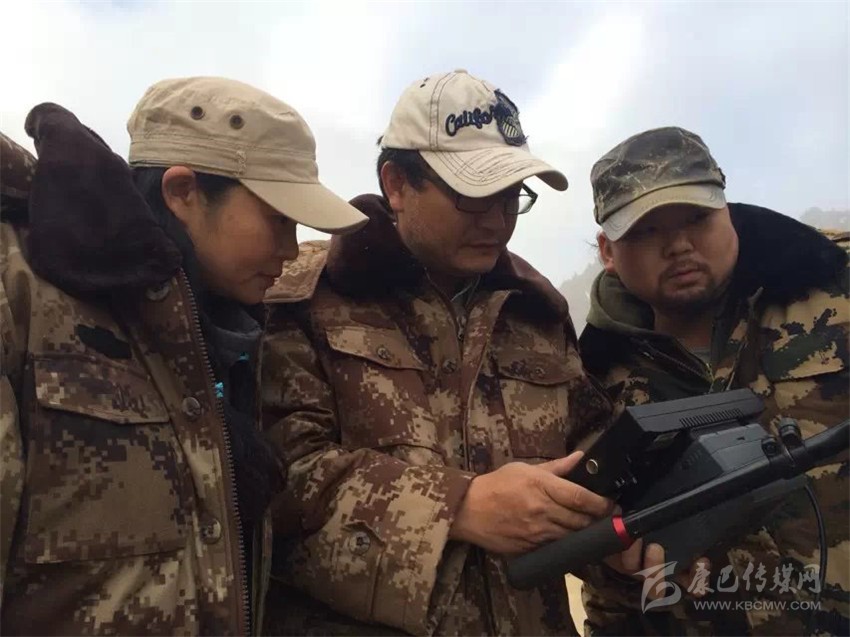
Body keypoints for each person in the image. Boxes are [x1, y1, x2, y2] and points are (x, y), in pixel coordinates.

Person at [258, 69, 668, 636]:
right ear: (397, 184)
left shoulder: (536, 313)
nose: (497, 221)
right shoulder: (300, 297)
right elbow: (274, 482)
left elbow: (590, 465)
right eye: (473, 196)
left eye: (512, 196)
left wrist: (619, 541)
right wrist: (458, 506)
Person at [0, 77, 367, 635]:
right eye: (278, 219)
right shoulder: (20, 297)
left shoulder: (231, 340)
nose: (292, 249)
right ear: (182, 192)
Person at [578, 126, 849, 636]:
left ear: (727, 211)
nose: (679, 245)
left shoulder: (834, 289)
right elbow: (605, 573)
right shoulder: (588, 378)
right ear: (608, 251)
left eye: (697, 218)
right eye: (645, 231)